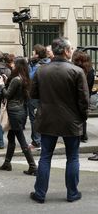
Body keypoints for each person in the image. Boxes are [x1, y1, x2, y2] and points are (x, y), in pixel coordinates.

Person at [30, 37, 89, 203]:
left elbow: (33, 95)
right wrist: (82, 118)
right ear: (65, 51)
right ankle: (72, 193)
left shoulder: (42, 70)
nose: (71, 51)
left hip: (48, 119)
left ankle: (40, 193)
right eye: (70, 49)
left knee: (45, 157)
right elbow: (83, 100)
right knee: (72, 157)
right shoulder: (76, 71)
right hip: (71, 120)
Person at [0, 57, 37, 175]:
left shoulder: (16, 80)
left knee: (21, 140)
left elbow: (7, 95)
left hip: (14, 112)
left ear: (18, 65)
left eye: (14, 63)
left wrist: (1, 85)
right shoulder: (25, 79)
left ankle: (33, 166)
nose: (12, 65)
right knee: (11, 137)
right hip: (20, 111)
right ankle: (7, 163)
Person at [27, 44, 50, 149]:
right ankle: (42, 140)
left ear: (37, 54)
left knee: (34, 119)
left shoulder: (37, 66)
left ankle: (36, 141)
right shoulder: (49, 62)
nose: (32, 53)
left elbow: (31, 78)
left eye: (33, 51)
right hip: (46, 94)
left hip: (35, 95)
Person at [72, 50, 95, 143]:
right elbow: (90, 85)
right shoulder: (90, 70)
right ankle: (83, 135)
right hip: (86, 96)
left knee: (75, 116)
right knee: (83, 116)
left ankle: (79, 134)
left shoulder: (76, 70)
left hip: (76, 96)